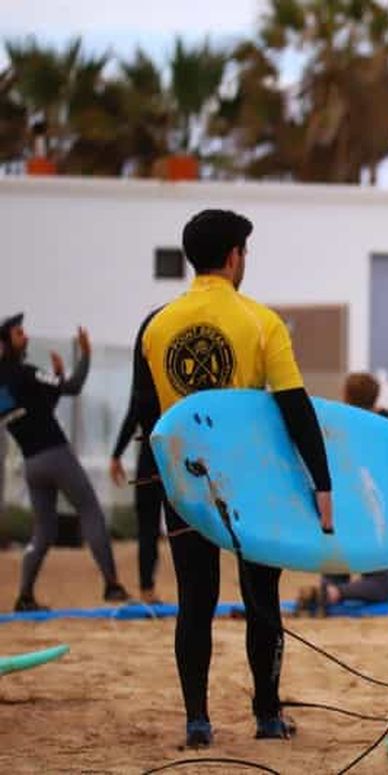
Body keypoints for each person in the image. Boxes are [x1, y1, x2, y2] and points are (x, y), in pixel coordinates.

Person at [132, 209, 333, 748]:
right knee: (261, 598)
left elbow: (147, 419)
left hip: (186, 482)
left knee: (195, 600)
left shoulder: (156, 326)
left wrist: (155, 492)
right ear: (233, 256)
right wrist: (323, 482)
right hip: (250, 485)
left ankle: (198, 721)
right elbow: (295, 408)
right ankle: (267, 716)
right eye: (245, 251)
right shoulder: (262, 322)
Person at [0, 314, 129, 612]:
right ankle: (111, 585)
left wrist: (53, 383)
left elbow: (37, 412)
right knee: (90, 510)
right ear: (7, 341)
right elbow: (74, 386)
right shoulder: (26, 372)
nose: (26, 337)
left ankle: (25, 596)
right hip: (56, 454)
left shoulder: (4, 385)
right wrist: (85, 355)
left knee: (43, 531)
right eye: (20, 333)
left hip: (32, 464)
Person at [296, 371, 388, 615]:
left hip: (336, 510)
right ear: (376, 398)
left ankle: (329, 591)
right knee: (381, 586)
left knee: (334, 572)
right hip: (373, 515)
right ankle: (334, 594)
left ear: (345, 396)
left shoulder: (331, 428)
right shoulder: (386, 429)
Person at [109, 309, 165, 605]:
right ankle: (149, 590)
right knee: (168, 531)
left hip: (149, 458)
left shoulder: (144, 386)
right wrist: (116, 455)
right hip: (171, 460)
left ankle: (147, 589)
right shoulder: (169, 384)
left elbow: (132, 414)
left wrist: (116, 454)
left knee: (148, 529)